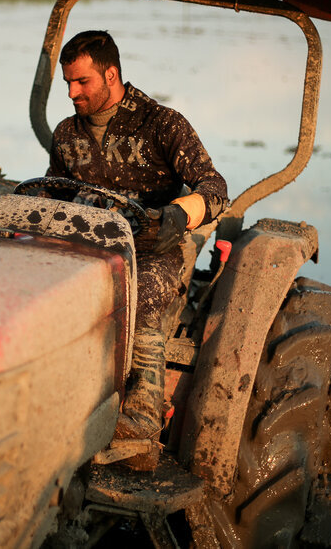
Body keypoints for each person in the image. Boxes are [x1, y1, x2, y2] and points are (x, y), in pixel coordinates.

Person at [46, 30, 227, 469]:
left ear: (111, 75)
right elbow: (54, 195)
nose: (72, 93)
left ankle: (143, 412)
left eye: (82, 82)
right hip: (88, 246)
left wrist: (181, 215)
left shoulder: (163, 124)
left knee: (135, 294)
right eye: (67, 83)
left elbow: (215, 189)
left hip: (152, 250)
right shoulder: (67, 133)